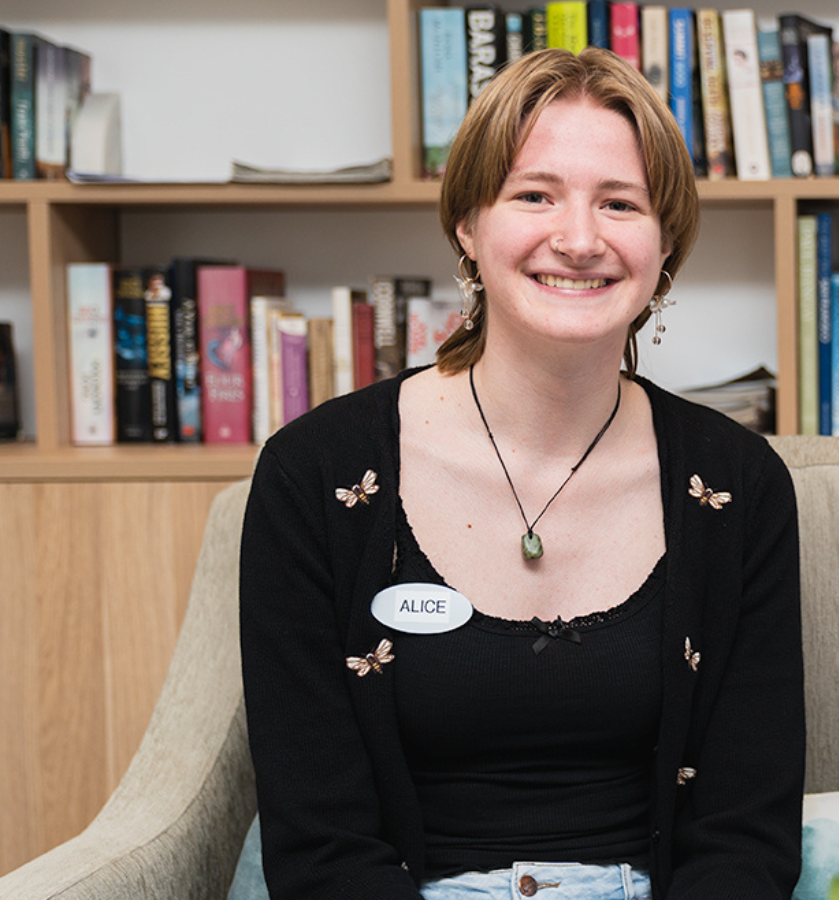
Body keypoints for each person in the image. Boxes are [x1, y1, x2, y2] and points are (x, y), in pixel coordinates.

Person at [240, 48, 804, 900]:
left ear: (664, 248)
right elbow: (319, 844)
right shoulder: (312, 477)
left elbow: (745, 837)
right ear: (469, 224)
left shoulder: (738, 488)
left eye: (620, 204)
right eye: (534, 194)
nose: (578, 240)